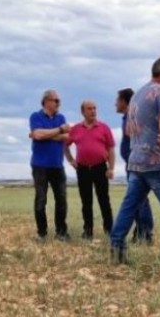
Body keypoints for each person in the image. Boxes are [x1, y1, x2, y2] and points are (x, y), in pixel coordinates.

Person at [110, 57, 160, 262]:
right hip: (158, 162)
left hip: (136, 160)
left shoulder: (137, 94)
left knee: (129, 207)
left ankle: (116, 247)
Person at [64, 100, 116, 239]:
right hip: (82, 169)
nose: (93, 111)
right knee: (86, 202)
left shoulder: (104, 128)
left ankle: (110, 230)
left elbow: (111, 149)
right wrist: (71, 160)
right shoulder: (75, 129)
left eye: (94, 108)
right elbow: (65, 145)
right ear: (83, 112)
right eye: (89, 109)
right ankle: (88, 232)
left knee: (104, 200)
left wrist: (111, 168)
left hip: (100, 168)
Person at [29, 89, 70, 240]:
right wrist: (58, 130)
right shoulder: (35, 116)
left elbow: (67, 136)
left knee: (61, 199)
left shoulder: (61, 117)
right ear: (46, 101)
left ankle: (61, 232)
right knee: (41, 199)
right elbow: (38, 135)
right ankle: (42, 233)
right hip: (40, 166)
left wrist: (43, 134)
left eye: (59, 101)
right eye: (56, 100)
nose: (59, 103)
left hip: (57, 165)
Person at [116, 87, 154, 243]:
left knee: (138, 199)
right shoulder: (129, 116)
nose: (115, 104)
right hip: (132, 163)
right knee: (139, 200)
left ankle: (144, 232)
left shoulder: (131, 116)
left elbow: (132, 134)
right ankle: (141, 231)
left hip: (136, 164)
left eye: (117, 101)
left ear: (125, 102)